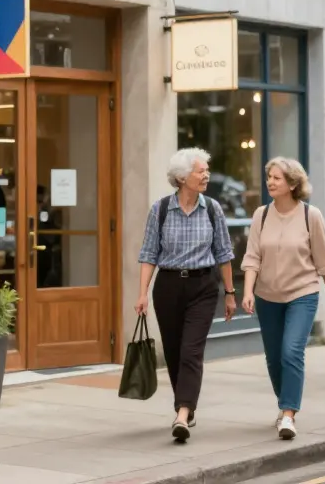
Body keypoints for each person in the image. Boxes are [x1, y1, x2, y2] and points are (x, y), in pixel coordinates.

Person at [135, 147, 236, 443]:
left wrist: (230, 293)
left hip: (203, 286)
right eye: (200, 171)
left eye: (206, 170)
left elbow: (224, 253)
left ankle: (182, 412)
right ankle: (186, 407)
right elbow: (149, 254)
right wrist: (142, 293)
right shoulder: (161, 209)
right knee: (175, 352)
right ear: (182, 178)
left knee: (192, 351)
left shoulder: (213, 209)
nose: (206, 175)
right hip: (167, 287)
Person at [240, 158, 325, 441]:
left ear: (292, 184)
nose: (270, 182)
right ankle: (285, 402)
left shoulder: (311, 216)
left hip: (302, 294)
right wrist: (248, 291)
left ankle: (288, 413)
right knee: (274, 359)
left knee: (291, 352)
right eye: (268, 177)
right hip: (267, 295)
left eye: (277, 178)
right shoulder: (261, 215)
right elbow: (252, 258)